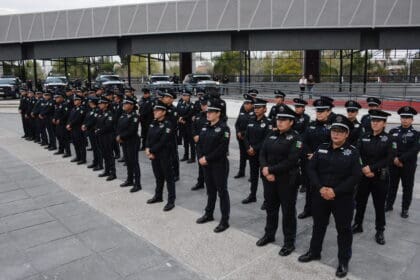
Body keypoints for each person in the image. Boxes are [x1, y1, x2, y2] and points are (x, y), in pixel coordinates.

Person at [298, 114, 362, 279]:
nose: (336, 134)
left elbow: (355, 177)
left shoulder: (353, 152)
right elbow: (311, 169)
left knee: (344, 230)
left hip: (342, 198)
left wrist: (335, 191)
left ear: (347, 134)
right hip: (320, 195)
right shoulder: (322, 148)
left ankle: (343, 261)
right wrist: (320, 188)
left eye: (341, 131)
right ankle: (314, 251)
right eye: (334, 130)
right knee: (318, 225)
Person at [256, 104, 302, 257]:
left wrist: (270, 170)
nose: (280, 122)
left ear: (291, 122)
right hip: (269, 178)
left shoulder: (296, 138)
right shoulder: (271, 134)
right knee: (271, 208)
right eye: (278, 119)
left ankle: (289, 242)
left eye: (284, 120)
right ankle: (269, 234)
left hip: (287, 180)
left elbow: (291, 160)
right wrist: (265, 168)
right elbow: (262, 152)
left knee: (288, 212)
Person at [352, 109, 395, 245]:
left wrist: (371, 168)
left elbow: (389, 158)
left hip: (380, 177)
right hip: (364, 176)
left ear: (384, 123)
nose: (375, 123)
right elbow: (357, 154)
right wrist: (364, 168)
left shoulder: (389, 139)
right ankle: (358, 224)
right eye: (373, 121)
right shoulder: (364, 136)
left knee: (379, 205)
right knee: (360, 202)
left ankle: (380, 230)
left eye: (378, 121)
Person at [196, 98, 231, 233]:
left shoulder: (224, 128)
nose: (208, 114)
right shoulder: (205, 126)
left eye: (211, 112)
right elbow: (199, 144)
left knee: (222, 192)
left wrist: (207, 158)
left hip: (219, 164)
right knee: (210, 191)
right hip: (205, 164)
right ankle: (208, 214)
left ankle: (224, 220)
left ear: (218, 113)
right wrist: (200, 157)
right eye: (208, 111)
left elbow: (222, 149)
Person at [299, 98, 334, 219]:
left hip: (325, 164)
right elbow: (303, 141)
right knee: (309, 187)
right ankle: (308, 209)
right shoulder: (311, 125)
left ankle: (323, 214)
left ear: (328, 112)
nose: (319, 113)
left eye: (322, 111)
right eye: (318, 111)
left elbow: (333, 145)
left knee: (322, 188)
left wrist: (317, 155)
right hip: (310, 162)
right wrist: (309, 153)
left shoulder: (332, 128)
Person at [386, 106, 419, 218]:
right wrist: (394, 159)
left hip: (408, 166)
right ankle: (389, 204)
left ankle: (405, 209)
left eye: (407, 117)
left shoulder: (416, 134)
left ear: (412, 120)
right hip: (393, 164)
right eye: (403, 117)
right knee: (391, 186)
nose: (405, 119)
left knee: (407, 187)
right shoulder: (393, 131)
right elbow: (389, 147)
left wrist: (400, 159)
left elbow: (415, 150)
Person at [146, 100, 176, 211]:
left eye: (157, 110)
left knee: (169, 178)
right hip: (154, 155)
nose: (155, 112)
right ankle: (158, 196)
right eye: (154, 110)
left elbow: (163, 141)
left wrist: (151, 151)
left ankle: (171, 200)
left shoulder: (168, 124)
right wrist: (147, 147)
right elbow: (148, 136)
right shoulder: (153, 122)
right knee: (158, 176)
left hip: (165, 154)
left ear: (164, 112)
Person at [242, 97, 272, 210]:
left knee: (264, 177)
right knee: (253, 176)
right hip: (252, 154)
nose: (256, 109)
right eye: (255, 107)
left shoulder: (268, 123)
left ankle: (267, 200)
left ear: (265, 109)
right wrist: (248, 147)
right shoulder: (251, 120)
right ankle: (252, 195)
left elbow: (266, 140)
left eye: (259, 108)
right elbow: (246, 136)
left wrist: (254, 148)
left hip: (262, 155)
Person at [117, 96, 142, 193]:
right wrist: (119, 135)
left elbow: (132, 130)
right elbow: (118, 126)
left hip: (132, 141)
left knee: (134, 162)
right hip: (124, 141)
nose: (124, 105)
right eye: (124, 103)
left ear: (131, 106)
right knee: (128, 161)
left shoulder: (134, 116)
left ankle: (137, 184)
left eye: (126, 104)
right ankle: (129, 179)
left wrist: (121, 136)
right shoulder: (123, 115)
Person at [95, 97, 117, 181]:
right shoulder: (100, 113)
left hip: (108, 136)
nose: (100, 105)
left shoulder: (110, 114)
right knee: (104, 154)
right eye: (99, 103)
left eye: (102, 103)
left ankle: (113, 173)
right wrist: (97, 129)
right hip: (101, 136)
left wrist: (98, 130)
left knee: (109, 154)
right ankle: (107, 170)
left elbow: (108, 126)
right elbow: (97, 123)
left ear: (106, 104)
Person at [233, 94, 254, 179]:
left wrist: (243, 134)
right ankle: (241, 172)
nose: (245, 105)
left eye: (248, 103)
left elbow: (252, 127)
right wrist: (238, 132)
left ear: (252, 104)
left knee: (251, 157)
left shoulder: (254, 113)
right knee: (242, 156)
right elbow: (237, 123)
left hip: (249, 139)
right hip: (241, 138)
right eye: (245, 103)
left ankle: (253, 175)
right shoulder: (242, 112)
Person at [81, 96, 103, 171]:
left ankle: (100, 164)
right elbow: (86, 118)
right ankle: (95, 162)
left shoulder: (97, 110)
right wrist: (84, 124)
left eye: (90, 102)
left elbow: (94, 120)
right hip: (90, 131)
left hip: (94, 131)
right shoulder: (91, 110)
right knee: (94, 148)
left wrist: (86, 125)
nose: (89, 103)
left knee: (97, 148)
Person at [191, 98, 208, 191]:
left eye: (205, 105)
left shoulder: (211, 117)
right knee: (200, 164)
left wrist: (199, 136)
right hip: (199, 145)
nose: (203, 106)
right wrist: (194, 135)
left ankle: (210, 183)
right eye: (202, 105)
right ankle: (200, 182)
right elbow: (193, 127)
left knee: (208, 164)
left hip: (208, 144)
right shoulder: (198, 116)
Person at [66, 95, 86, 164]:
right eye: (74, 100)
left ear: (80, 101)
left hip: (78, 129)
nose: (75, 101)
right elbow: (70, 117)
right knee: (75, 143)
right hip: (72, 129)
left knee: (81, 144)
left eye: (76, 100)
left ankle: (83, 159)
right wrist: (68, 124)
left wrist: (70, 124)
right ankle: (78, 156)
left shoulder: (82, 109)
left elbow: (78, 119)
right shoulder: (73, 108)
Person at [177, 90, 195, 163]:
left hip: (189, 125)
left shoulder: (191, 105)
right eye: (183, 95)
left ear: (189, 96)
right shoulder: (180, 104)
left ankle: (193, 157)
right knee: (185, 142)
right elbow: (177, 112)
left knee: (191, 142)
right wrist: (179, 118)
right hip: (182, 125)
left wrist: (183, 118)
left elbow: (190, 114)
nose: (184, 97)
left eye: (186, 96)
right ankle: (186, 155)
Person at [52, 93, 71, 158]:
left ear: (62, 98)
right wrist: (54, 118)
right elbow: (56, 112)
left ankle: (68, 152)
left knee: (64, 138)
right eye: (56, 98)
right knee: (59, 137)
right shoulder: (58, 105)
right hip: (58, 124)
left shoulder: (65, 104)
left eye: (58, 97)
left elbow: (66, 114)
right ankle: (61, 150)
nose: (56, 99)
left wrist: (60, 119)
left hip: (63, 124)